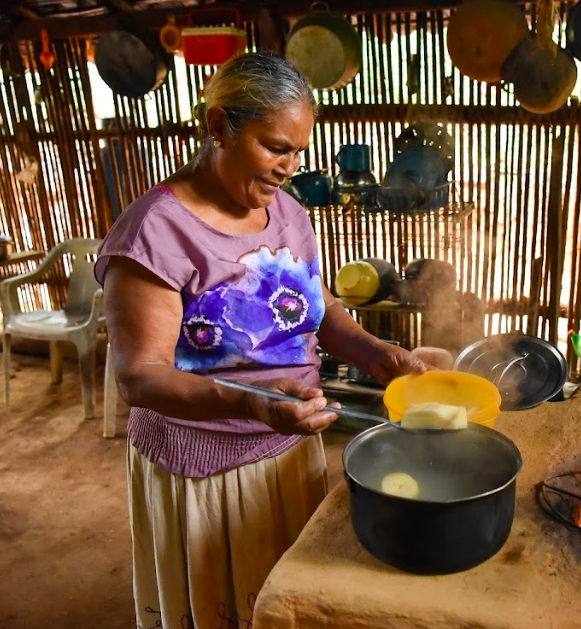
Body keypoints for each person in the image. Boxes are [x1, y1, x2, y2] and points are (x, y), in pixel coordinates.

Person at [95, 52, 431, 629]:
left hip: (289, 451)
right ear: (219, 126)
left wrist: (376, 353)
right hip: (207, 470)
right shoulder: (157, 232)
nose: (288, 166)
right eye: (275, 146)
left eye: (297, 150)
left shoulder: (289, 213)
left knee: (281, 602)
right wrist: (248, 402)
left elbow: (317, 304)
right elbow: (139, 376)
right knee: (223, 599)